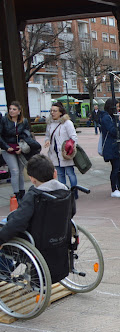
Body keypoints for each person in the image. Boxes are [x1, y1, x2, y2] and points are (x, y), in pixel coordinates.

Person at [0, 154, 75, 283]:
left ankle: (4, 271)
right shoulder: (65, 191)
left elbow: (18, 222)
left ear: (32, 179)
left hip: (34, 240)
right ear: (55, 173)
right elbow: (72, 212)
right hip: (59, 237)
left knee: (4, 227)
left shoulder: (34, 196)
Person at [0, 101, 37, 201]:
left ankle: (22, 193)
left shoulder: (24, 121)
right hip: (7, 148)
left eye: (14, 109)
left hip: (20, 148)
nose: (11, 111)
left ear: (19, 111)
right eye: (10, 109)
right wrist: (6, 147)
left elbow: (27, 135)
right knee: (15, 170)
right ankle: (16, 194)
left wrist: (22, 148)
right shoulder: (4, 120)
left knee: (20, 172)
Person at [44, 102, 79, 199]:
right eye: (51, 111)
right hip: (54, 153)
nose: (52, 113)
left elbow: (74, 137)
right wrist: (47, 141)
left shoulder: (67, 123)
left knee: (70, 173)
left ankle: (74, 191)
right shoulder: (50, 124)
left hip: (66, 153)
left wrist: (70, 148)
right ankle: (63, 193)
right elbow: (47, 135)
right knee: (60, 174)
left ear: (60, 112)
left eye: (55, 111)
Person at [100, 98, 120, 198]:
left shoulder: (112, 117)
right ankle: (114, 189)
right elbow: (114, 131)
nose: (118, 109)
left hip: (117, 146)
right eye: (117, 107)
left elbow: (119, 135)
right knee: (116, 168)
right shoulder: (106, 118)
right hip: (111, 147)